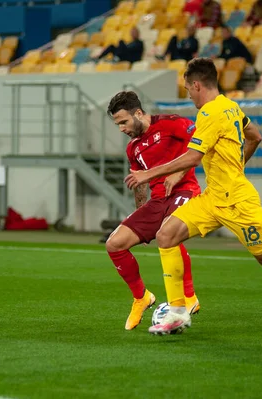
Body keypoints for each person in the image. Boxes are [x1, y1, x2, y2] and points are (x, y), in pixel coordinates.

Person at [124, 58, 262, 335]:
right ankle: (177, 312)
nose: (188, 94)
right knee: (166, 235)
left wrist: (148, 175)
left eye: (187, 89)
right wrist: (234, 167)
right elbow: (255, 135)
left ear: (197, 85)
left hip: (237, 202)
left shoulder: (210, 113)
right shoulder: (231, 107)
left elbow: (193, 157)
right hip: (213, 198)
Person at [106, 91, 201, 330]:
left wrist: (178, 174)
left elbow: (203, 144)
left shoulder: (171, 123)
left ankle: (189, 298)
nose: (121, 129)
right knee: (114, 244)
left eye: (123, 122)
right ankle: (141, 297)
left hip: (185, 191)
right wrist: (141, 219)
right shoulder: (133, 149)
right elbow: (140, 183)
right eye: (117, 124)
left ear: (138, 113)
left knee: (169, 233)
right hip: (157, 201)